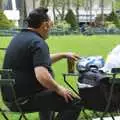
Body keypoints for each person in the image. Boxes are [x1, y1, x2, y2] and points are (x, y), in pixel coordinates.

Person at [2, 7, 82, 120]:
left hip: (10, 100)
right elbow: (42, 75)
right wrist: (59, 88)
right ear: (45, 25)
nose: (51, 28)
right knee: (74, 102)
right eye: (50, 24)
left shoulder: (18, 38)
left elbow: (40, 62)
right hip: (25, 100)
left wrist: (63, 55)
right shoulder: (38, 42)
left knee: (48, 93)